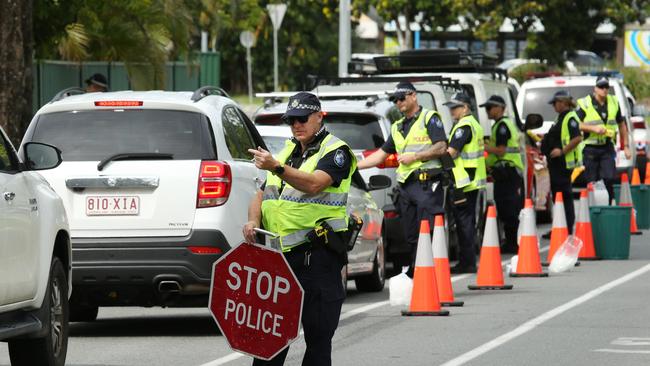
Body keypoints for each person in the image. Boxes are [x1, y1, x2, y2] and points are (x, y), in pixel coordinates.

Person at [243, 92, 356, 366]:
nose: (297, 125)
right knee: (268, 340)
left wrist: (278, 167)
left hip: (316, 259)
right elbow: (262, 193)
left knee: (317, 340)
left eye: (302, 119)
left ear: (320, 116)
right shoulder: (286, 152)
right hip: (279, 261)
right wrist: (253, 221)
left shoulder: (336, 151)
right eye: (292, 120)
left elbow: (315, 183)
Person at [357, 81, 448, 277]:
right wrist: (352, 167)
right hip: (406, 187)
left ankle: (432, 275)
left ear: (413, 96)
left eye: (402, 98)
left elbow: (441, 147)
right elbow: (380, 155)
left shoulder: (429, 118)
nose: (398, 102)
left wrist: (415, 157)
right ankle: (418, 273)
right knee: (411, 235)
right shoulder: (397, 127)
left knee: (428, 231)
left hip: (426, 184)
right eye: (395, 100)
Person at [444, 93, 487, 273]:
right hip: (470, 180)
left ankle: (467, 262)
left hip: (464, 182)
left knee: (464, 224)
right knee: (466, 222)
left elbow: (452, 153)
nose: (452, 111)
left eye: (455, 107)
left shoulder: (465, 126)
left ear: (465, 107)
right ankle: (467, 260)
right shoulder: (472, 124)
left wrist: (437, 164)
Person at [576, 76, 631, 203]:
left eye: (606, 87)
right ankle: (592, 209)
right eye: (601, 87)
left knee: (610, 177)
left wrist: (626, 146)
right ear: (595, 88)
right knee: (591, 181)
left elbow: (622, 124)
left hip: (607, 147)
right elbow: (576, 123)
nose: (604, 90)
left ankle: (610, 204)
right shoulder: (585, 103)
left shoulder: (613, 102)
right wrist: (593, 128)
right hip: (590, 149)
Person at [481, 95, 524, 254]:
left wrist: (483, 147)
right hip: (506, 172)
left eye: (490, 107)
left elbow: (501, 150)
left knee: (508, 208)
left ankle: (512, 243)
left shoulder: (502, 126)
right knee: (506, 207)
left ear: (500, 108)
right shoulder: (500, 125)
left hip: (508, 172)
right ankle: (511, 242)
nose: (487, 111)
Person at [541, 91, 583, 233]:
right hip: (557, 164)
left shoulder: (570, 118)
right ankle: (560, 226)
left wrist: (562, 151)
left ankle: (566, 228)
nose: (553, 106)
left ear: (563, 102)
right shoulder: (560, 118)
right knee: (558, 196)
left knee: (563, 197)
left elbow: (577, 138)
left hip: (563, 164)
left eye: (555, 103)